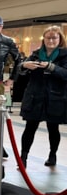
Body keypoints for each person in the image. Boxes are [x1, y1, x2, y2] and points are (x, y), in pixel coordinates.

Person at [17, 25, 67, 167]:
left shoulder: (65, 55)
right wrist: (25, 65)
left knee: (53, 128)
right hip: (35, 96)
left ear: (60, 39)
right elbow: (20, 69)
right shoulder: (36, 53)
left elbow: (65, 74)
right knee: (30, 128)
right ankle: (23, 158)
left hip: (55, 98)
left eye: (54, 38)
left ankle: (52, 155)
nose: (51, 40)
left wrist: (51, 67)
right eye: (48, 38)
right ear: (43, 39)